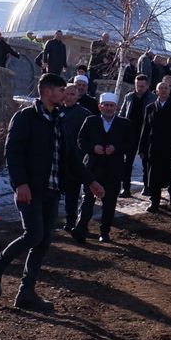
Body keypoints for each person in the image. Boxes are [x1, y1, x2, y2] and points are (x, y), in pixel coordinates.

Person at [0, 73, 103, 312]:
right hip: (31, 188)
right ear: (48, 92)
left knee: (44, 241)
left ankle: (26, 292)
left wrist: (91, 181)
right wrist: (20, 184)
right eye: (60, 91)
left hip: (52, 189)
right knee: (34, 235)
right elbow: (12, 152)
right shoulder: (25, 117)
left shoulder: (59, 119)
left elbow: (71, 159)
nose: (65, 95)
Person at [74, 92, 134, 243]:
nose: (108, 108)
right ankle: (81, 228)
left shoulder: (124, 124)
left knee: (109, 201)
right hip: (92, 168)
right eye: (105, 105)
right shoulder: (90, 121)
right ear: (100, 107)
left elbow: (131, 144)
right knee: (87, 198)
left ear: (117, 107)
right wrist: (93, 147)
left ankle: (104, 231)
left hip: (113, 169)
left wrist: (116, 148)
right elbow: (81, 140)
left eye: (111, 106)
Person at [139, 80, 171, 212]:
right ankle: (154, 202)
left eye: (166, 88)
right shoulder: (150, 108)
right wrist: (142, 148)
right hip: (154, 148)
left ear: (169, 90)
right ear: (156, 91)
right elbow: (145, 129)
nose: (163, 90)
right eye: (161, 88)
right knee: (153, 176)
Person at [58, 82, 93, 234]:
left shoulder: (84, 114)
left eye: (73, 94)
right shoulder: (55, 111)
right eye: (67, 93)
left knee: (72, 193)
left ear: (78, 96)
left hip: (75, 159)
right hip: (56, 158)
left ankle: (71, 221)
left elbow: (87, 138)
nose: (69, 97)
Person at [119, 74, 153, 197]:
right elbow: (122, 113)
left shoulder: (152, 98)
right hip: (130, 133)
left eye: (142, 86)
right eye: (138, 86)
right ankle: (126, 188)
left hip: (145, 133)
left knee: (146, 162)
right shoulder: (129, 97)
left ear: (147, 85)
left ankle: (147, 186)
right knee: (127, 162)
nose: (140, 88)